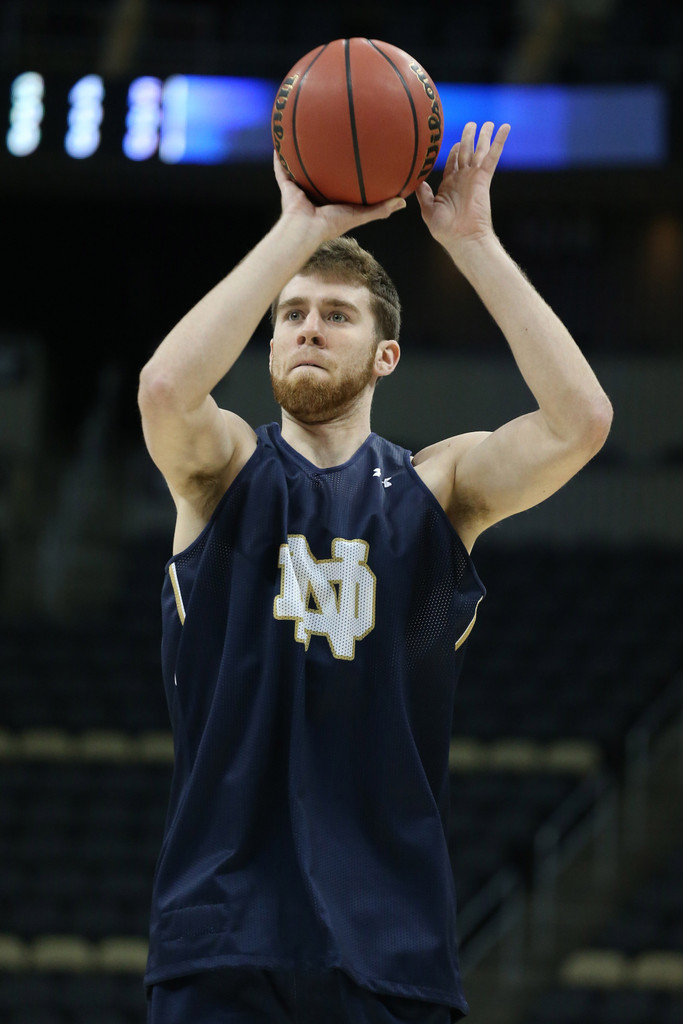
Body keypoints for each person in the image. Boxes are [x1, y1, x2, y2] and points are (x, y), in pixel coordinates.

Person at [138, 121, 612, 1024]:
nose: (307, 328)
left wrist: (473, 243)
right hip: (222, 935)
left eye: (336, 314)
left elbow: (580, 420)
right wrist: (297, 232)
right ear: (267, 344)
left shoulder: (438, 488)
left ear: (384, 356)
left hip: (392, 950)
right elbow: (164, 390)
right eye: (291, 315)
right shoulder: (224, 472)